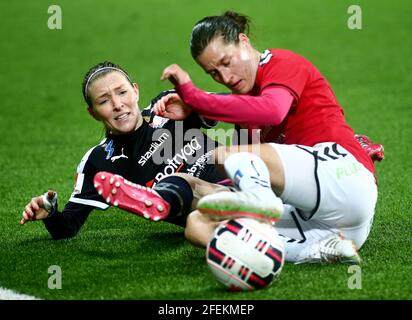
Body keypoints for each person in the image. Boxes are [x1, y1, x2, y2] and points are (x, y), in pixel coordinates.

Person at [155, 11, 380, 264]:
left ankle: (259, 204)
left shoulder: (282, 62)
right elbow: (241, 177)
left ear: (244, 42)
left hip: (344, 180)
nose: (225, 77)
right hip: (335, 230)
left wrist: (195, 99)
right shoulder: (246, 114)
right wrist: (192, 191)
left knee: (223, 155)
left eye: (226, 62)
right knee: (198, 225)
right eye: (213, 73)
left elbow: (273, 110)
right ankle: (315, 252)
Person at [20, 61, 230, 239]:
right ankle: (163, 198)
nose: (117, 104)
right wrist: (51, 213)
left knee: (228, 154)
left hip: (244, 175)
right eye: (104, 101)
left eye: (122, 92)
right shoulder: (99, 161)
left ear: (136, 91)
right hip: (209, 207)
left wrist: (194, 104)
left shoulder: (166, 106)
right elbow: (68, 226)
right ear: (93, 113)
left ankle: (156, 197)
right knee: (193, 224)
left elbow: (236, 106)